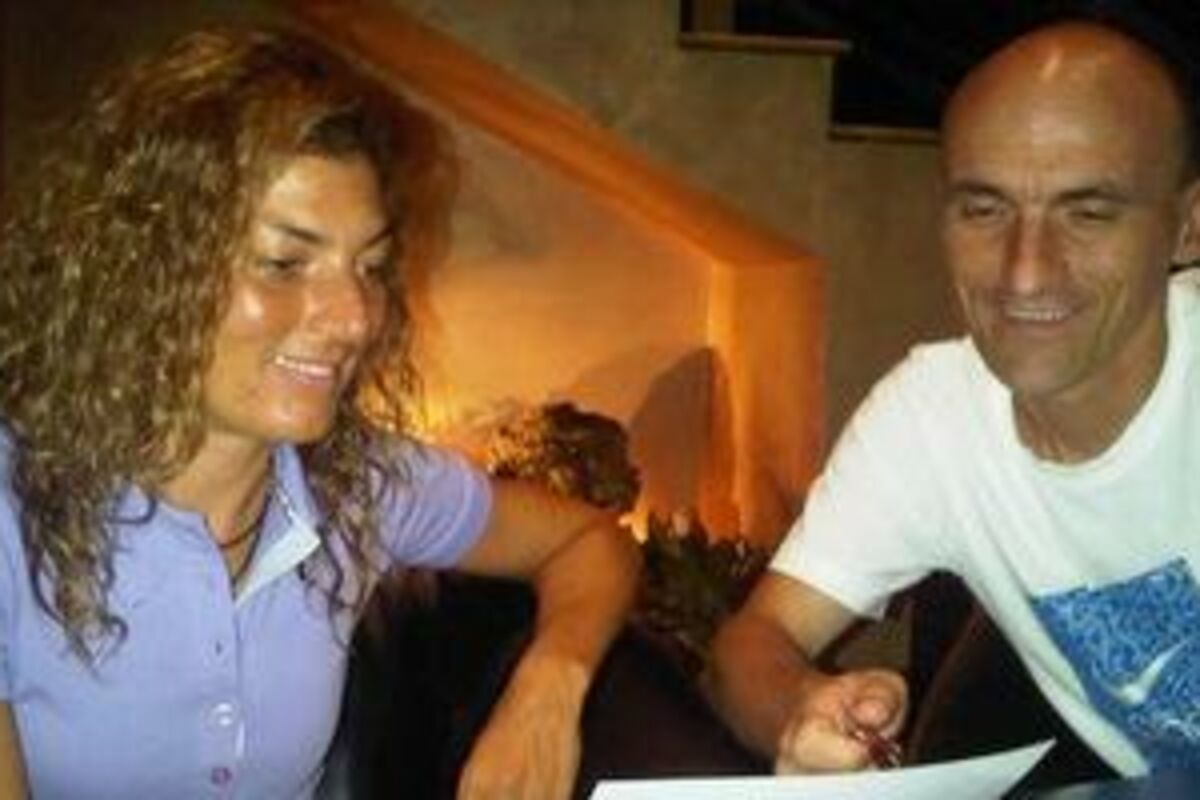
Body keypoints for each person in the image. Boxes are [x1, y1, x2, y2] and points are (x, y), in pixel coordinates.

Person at [0, 25, 640, 800]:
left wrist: (550, 687)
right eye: (284, 263)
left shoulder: (354, 486)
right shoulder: (15, 508)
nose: (354, 318)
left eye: (369, 267)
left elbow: (588, 541)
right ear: (144, 271)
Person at [707, 19, 1200, 778]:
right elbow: (750, 645)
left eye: (1088, 212)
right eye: (984, 209)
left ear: (1188, 227)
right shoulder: (931, 419)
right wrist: (800, 707)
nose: (1026, 272)